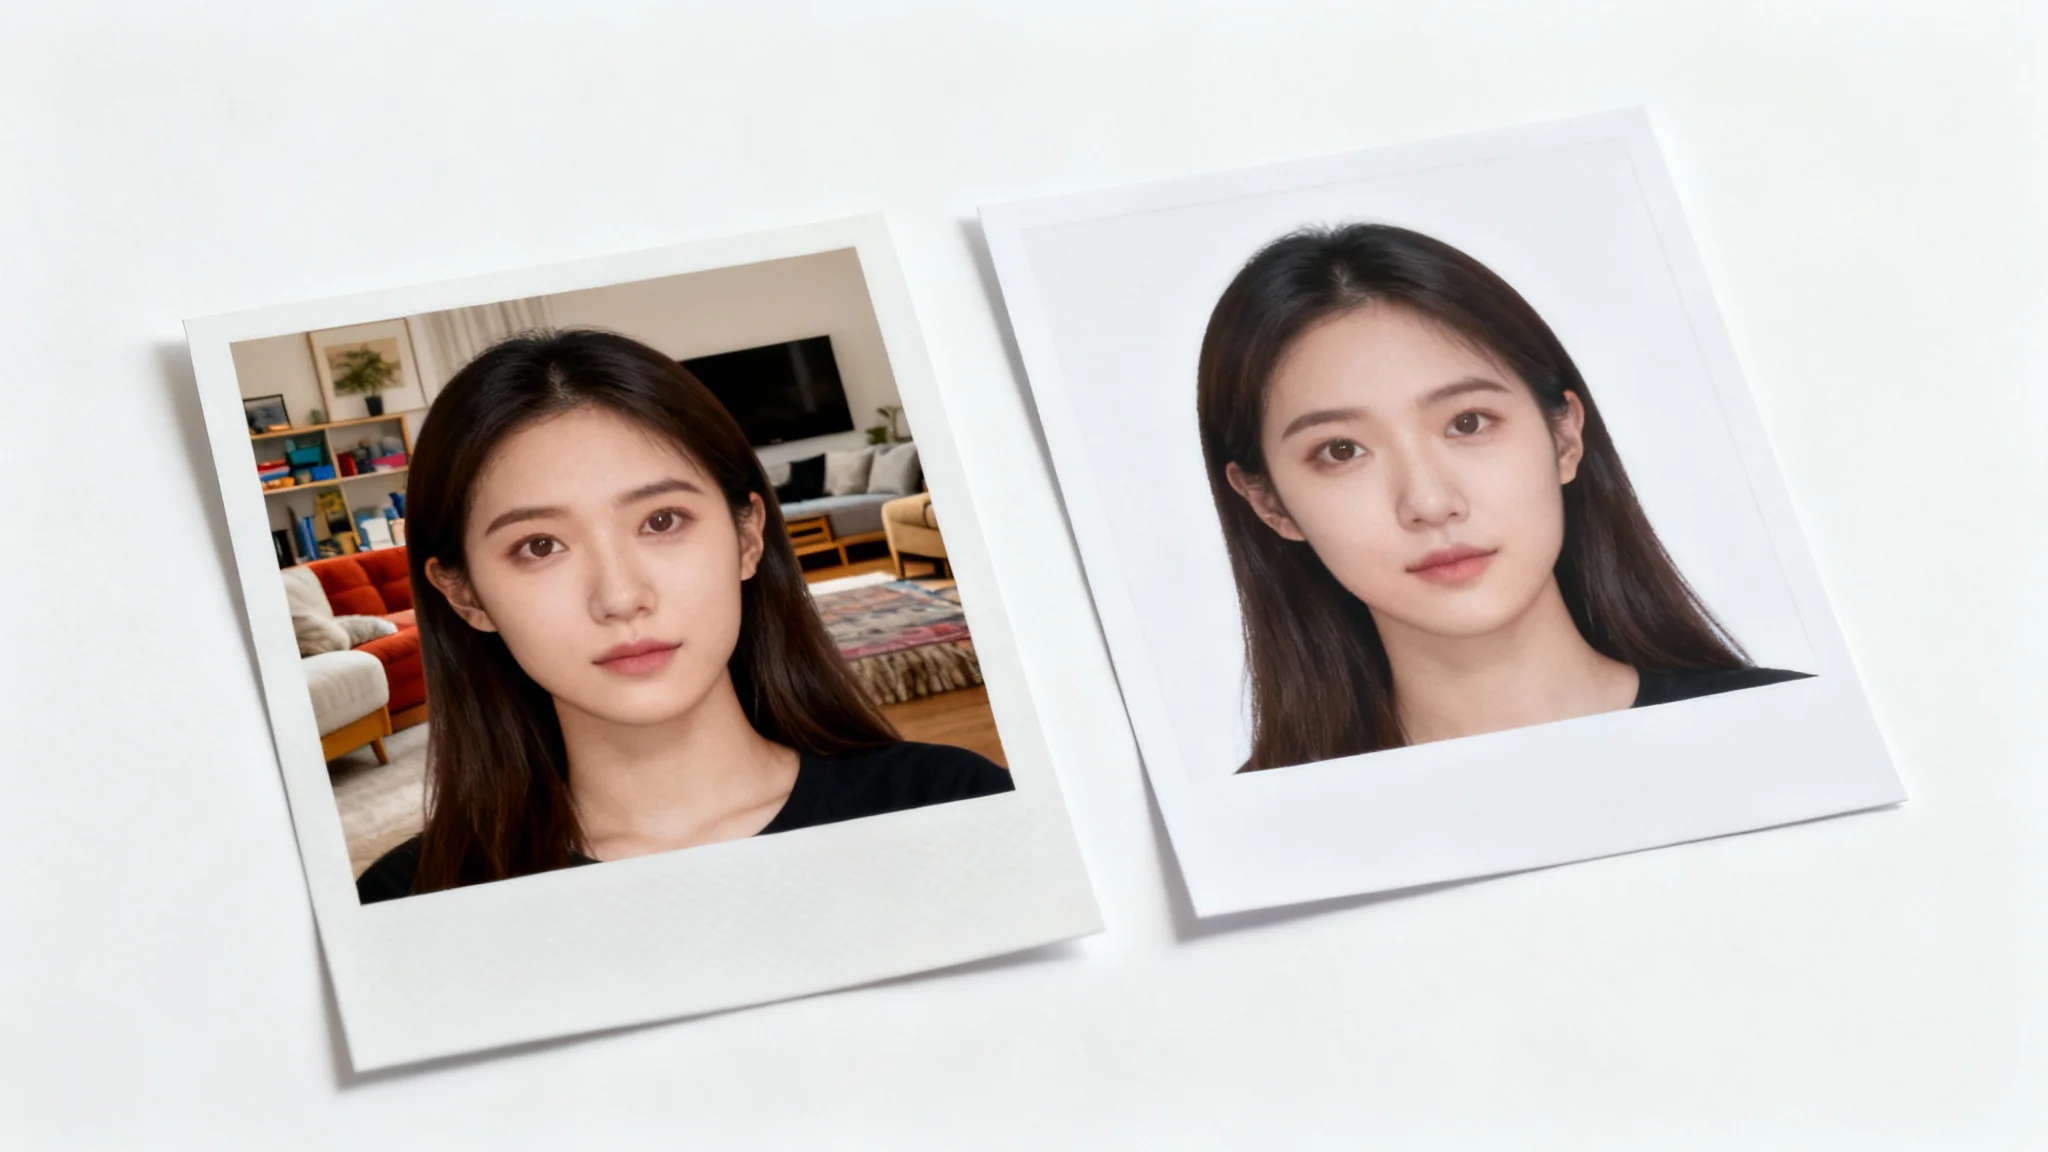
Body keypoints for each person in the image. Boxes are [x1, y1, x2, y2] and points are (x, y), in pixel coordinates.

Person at [356, 329, 1010, 902]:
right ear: (465, 596)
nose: (620, 597)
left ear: (747, 536)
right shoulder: (401, 903)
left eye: (662, 521)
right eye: (540, 546)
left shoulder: (959, 804)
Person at [1195, 223, 1807, 773]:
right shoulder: (1250, 832)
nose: (1429, 502)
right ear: (1269, 504)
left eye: (1468, 423)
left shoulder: (1800, 731)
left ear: (1564, 438)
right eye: (1341, 450)